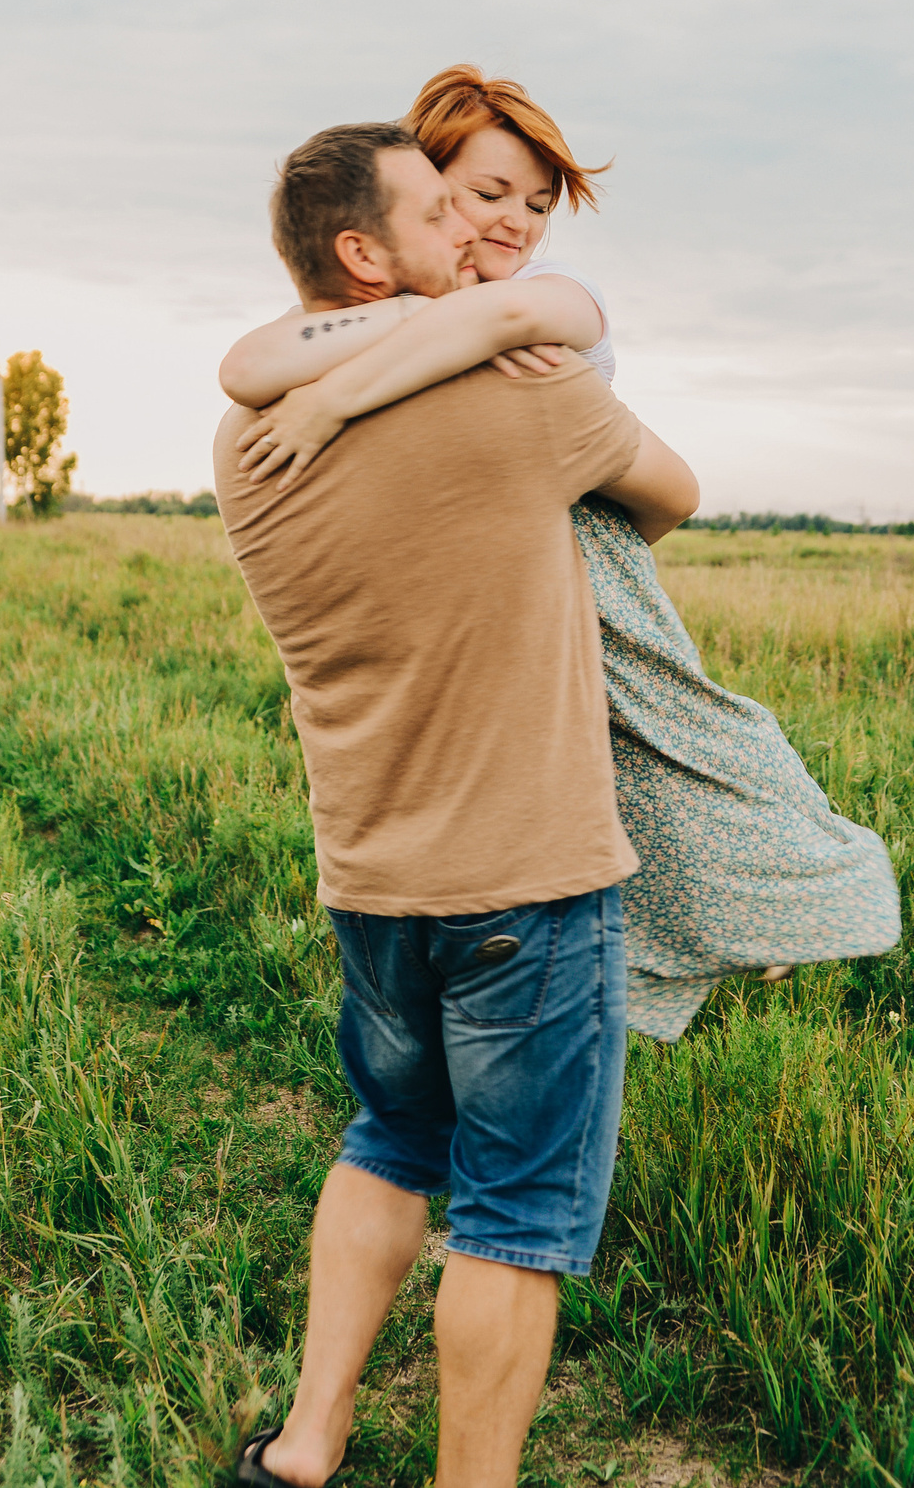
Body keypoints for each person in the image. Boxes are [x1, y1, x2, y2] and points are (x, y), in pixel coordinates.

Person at [221, 67, 901, 1040]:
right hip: (487, 570)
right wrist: (403, 322)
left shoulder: (544, 298)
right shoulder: (418, 310)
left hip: (579, 533)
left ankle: (789, 895)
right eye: (485, 194)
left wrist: (333, 394)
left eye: (536, 204)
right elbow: (247, 363)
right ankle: (662, 948)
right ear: (417, 189)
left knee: (682, 720)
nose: (513, 223)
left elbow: (637, 471)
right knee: (589, 766)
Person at [216, 121, 699, 1488]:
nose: (479, 243)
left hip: (370, 874)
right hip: (529, 884)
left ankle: (305, 1445)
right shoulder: (516, 393)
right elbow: (669, 495)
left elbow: (273, 362)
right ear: (366, 255)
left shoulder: (241, 443)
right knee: (513, 1217)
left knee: (388, 1137)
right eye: (444, 216)